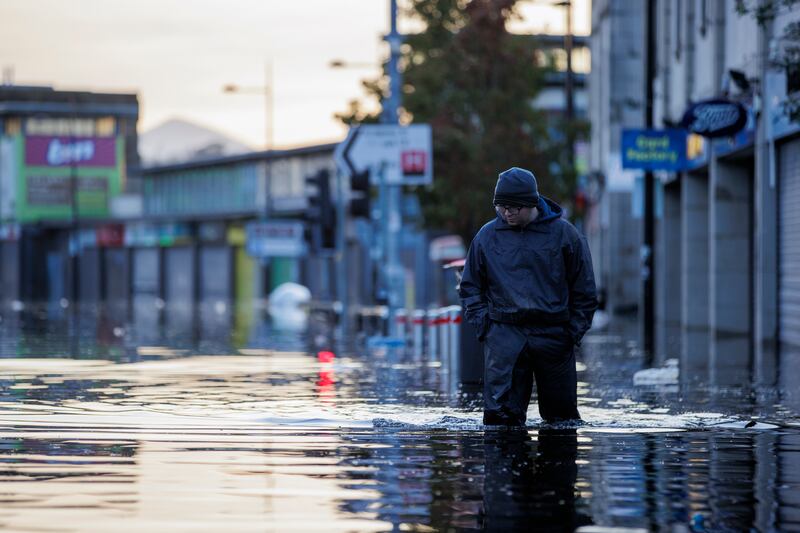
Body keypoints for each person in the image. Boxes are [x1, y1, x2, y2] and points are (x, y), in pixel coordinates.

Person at [459, 167, 598, 426]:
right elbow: (470, 287)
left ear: (531, 203)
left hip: (554, 335)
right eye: (501, 206)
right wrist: (487, 330)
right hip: (504, 336)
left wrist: (572, 334)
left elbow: (585, 290)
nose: (507, 213)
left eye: (514, 207)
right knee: (500, 423)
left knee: (562, 422)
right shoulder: (487, 237)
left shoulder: (565, 235)